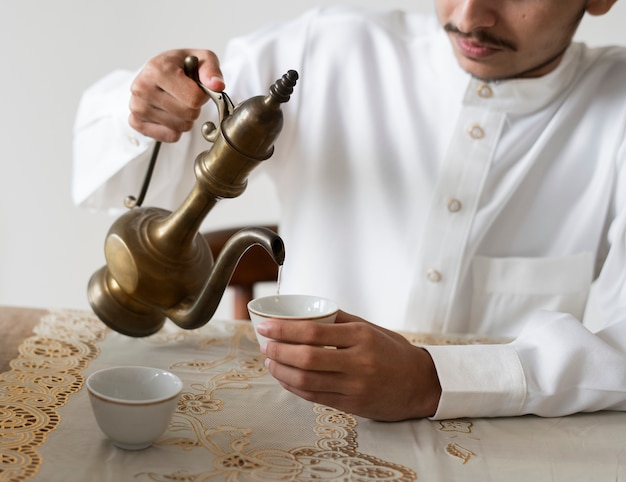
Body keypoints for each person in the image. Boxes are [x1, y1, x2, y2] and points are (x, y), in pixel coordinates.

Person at [72, 1, 626, 422]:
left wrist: (437, 381)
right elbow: (122, 181)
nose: (470, 16)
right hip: (296, 428)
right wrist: (150, 107)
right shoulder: (332, 48)